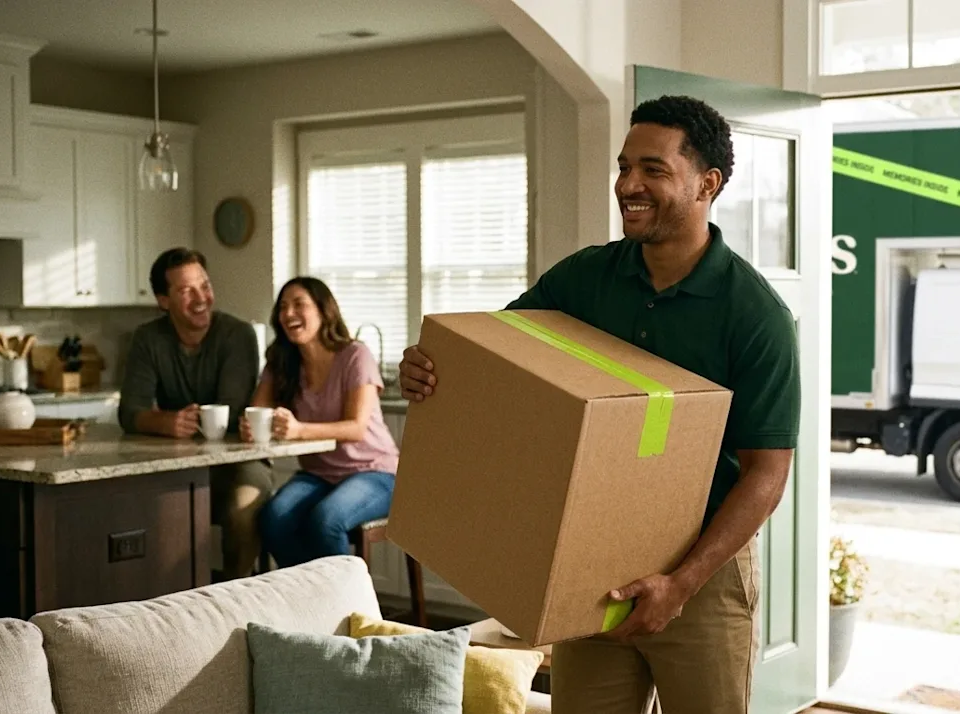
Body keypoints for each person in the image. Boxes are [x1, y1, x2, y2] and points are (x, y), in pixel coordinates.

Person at [398, 95, 800, 714]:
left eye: (653, 170)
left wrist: (681, 583)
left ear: (708, 184)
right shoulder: (582, 280)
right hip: (590, 566)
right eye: (624, 166)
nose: (628, 185)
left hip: (702, 578)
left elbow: (767, 474)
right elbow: (493, 362)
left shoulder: (754, 314)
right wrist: (431, 367)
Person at [118, 247, 274, 581]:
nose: (201, 298)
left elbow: (230, 412)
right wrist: (166, 422)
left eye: (204, 285)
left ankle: (235, 594)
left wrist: (170, 421)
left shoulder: (238, 334)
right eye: (186, 291)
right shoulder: (147, 339)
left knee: (242, 510)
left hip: (239, 462)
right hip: (175, 463)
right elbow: (129, 412)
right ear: (164, 301)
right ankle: (171, 596)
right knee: (136, 509)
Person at [249, 277, 400, 568]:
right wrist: (253, 425)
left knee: (326, 520)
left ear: (323, 310)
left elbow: (355, 427)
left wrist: (298, 430)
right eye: (283, 307)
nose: (288, 313)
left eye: (299, 304)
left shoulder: (355, 355)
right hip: (319, 474)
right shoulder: (281, 362)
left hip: (375, 472)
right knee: (273, 518)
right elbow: (257, 411)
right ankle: (311, 592)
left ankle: (347, 597)